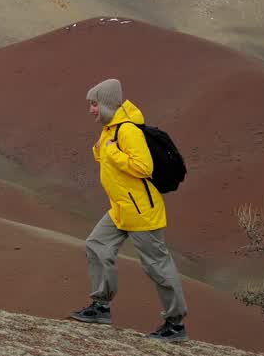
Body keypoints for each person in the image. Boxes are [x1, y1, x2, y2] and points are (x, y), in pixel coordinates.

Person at [69, 79, 188, 342]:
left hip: (141, 211)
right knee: (97, 245)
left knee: (157, 265)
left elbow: (143, 167)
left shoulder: (127, 131)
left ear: (106, 104)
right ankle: (101, 306)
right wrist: (103, 151)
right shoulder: (110, 129)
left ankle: (175, 324)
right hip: (121, 208)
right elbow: (106, 159)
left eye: (94, 104)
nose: (91, 110)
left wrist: (113, 155)